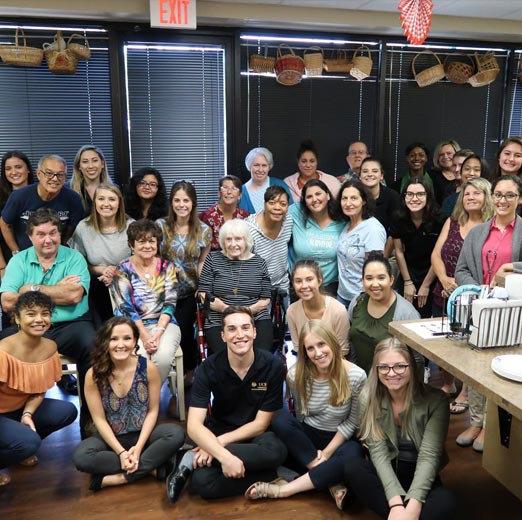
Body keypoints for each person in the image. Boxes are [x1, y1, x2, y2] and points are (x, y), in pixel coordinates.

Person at [166, 306, 287, 502]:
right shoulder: (208, 368)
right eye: (232, 329)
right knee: (203, 484)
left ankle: (188, 459)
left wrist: (215, 448)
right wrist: (226, 457)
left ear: (255, 332)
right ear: (222, 336)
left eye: (245, 328)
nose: (240, 335)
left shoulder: (272, 365)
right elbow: (194, 425)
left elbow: (260, 425)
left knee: (276, 452)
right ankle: (273, 475)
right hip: (221, 429)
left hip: (256, 437)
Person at [245, 320, 365, 509]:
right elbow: (300, 414)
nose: (317, 353)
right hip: (308, 439)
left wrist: (326, 453)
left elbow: (353, 422)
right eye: (310, 348)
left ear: (332, 343)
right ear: (304, 352)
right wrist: (311, 452)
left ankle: (284, 489)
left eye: (321, 344)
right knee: (279, 419)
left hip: (339, 438)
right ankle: (331, 481)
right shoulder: (296, 375)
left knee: (354, 455)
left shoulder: (356, 376)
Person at [344, 338, 456, 519]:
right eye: (384, 367)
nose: (392, 373)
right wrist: (396, 503)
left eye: (400, 366)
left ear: (411, 366)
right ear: (376, 369)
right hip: (387, 468)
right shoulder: (368, 397)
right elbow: (378, 454)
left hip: (420, 470)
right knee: (353, 468)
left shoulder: (437, 401)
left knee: (446, 501)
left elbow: (429, 456)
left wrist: (413, 506)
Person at [72, 316, 185, 491]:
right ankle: (152, 469)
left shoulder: (147, 367)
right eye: (114, 339)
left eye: (127, 338)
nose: (121, 344)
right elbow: (99, 420)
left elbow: (153, 411)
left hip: (144, 436)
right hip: (112, 438)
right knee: (81, 457)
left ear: (135, 341)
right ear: (104, 342)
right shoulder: (92, 374)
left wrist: (138, 449)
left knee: (176, 433)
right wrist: (122, 453)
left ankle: (119, 478)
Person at [0, 208, 95, 414]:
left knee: (93, 345)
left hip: (71, 326)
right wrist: (57, 290)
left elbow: (73, 296)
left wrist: (31, 289)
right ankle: (13, 413)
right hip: (26, 328)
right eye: (41, 234)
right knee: (2, 348)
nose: (48, 239)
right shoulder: (19, 261)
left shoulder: (74, 258)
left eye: (53, 233)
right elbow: (7, 302)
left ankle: (91, 418)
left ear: (60, 234)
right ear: (30, 236)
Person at [454, 174, 522, 452]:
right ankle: (477, 421)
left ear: (520, 199)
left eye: (509, 195)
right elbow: (460, 270)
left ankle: (491, 428)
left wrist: (513, 268)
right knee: (477, 367)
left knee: (500, 369)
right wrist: (480, 291)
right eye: (498, 194)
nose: (502, 200)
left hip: (513, 313)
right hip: (480, 308)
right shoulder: (478, 232)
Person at [0, 291, 77, 488]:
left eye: (45, 313)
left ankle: (18, 450)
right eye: (31, 314)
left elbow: (39, 389)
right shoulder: (2, 351)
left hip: (19, 409)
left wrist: (28, 414)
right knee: (29, 443)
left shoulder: (50, 347)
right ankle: (17, 449)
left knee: (67, 411)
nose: (39, 320)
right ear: (17, 318)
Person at [432, 178, 494, 414]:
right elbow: (436, 254)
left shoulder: (490, 226)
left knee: (469, 344)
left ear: (486, 197)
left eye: (476, 193)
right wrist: (444, 280)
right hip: (446, 291)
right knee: (445, 342)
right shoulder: (453, 221)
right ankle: (448, 383)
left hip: (475, 295)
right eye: (466, 194)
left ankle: (466, 392)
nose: (470, 197)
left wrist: (465, 287)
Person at [110, 219, 181, 383]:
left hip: (164, 324)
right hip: (130, 325)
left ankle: (149, 400)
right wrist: (144, 336)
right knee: (138, 358)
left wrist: (157, 334)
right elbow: (125, 307)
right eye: (141, 241)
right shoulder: (122, 269)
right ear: (132, 245)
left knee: (162, 358)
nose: (147, 246)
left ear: (157, 243)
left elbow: (170, 303)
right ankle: (141, 400)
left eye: (151, 241)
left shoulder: (167, 267)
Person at [157, 181, 212, 377]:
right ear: (171, 203)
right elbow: (153, 260)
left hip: (190, 290)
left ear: (193, 203)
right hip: (162, 290)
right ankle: (164, 371)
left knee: (186, 333)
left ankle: (188, 371)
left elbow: (203, 262)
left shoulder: (204, 230)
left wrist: (203, 286)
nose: (182, 205)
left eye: (186, 200)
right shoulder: (160, 226)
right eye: (177, 200)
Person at [198, 218, 273, 354]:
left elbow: (266, 298)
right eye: (228, 239)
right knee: (224, 359)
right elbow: (203, 294)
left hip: (255, 317)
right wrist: (227, 309)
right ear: (222, 241)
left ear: (246, 240)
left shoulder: (259, 262)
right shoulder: (212, 259)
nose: (233, 244)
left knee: (262, 356)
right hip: (219, 318)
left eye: (238, 239)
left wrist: (247, 311)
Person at [68, 184, 133, 324]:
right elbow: (77, 265)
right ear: (95, 202)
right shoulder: (83, 228)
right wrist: (102, 269)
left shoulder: (131, 226)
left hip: (128, 283)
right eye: (101, 199)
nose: (106, 204)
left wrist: (117, 272)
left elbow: (141, 260)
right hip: (96, 283)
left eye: (112, 199)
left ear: (119, 203)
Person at [348, 252, 420, 374]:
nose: (375, 284)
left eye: (381, 278)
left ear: (391, 279)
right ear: (363, 280)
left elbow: (417, 359)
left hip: (392, 380)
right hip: (360, 379)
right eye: (369, 278)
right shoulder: (356, 302)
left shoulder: (406, 314)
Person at [0, 154, 83, 252]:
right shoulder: (19, 196)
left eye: (60, 174)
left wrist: (63, 246)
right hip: (25, 256)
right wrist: (16, 252)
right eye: (49, 173)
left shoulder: (73, 198)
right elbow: (5, 223)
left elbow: (72, 227)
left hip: (56, 255)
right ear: (39, 174)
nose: (55, 178)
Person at [390, 178, 444, 319]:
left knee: (425, 317)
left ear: (428, 196)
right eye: (410, 194)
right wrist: (408, 282)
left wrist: (426, 285)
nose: (414, 199)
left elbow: (438, 255)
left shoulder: (439, 219)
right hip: (408, 271)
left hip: (432, 272)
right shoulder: (398, 217)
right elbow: (399, 252)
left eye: (420, 194)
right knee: (405, 316)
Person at [288, 179, 345, 296]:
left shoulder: (342, 219)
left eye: (318, 194)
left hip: (330, 287)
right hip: (300, 286)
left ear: (328, 195)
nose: (314, 199)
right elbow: (273, 210)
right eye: (309, 196)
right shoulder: (295, 213)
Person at [336, 179, 386, 308]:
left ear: (363, 201)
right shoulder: (346, 225)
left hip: (363, 298)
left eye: (353, 198)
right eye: (344, 198)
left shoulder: (372, 228)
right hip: (342, 296)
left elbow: (376, 269)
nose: (348, 203)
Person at [287, 259, 349, 357]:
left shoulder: (338, 310)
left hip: (335, 365)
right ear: (293, 284)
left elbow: (342, 351)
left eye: (309, 279)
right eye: (298, 281)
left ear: (319, 281)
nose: (304, 286)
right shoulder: (292, 311)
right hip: (307, 366)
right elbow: (298, 349)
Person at [246, 185, 293, 294]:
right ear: (264, 205)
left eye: (283, 204)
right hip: (257, 290)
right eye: (272, 203)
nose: (277, 207)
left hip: (282, 285)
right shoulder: (248, 230)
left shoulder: (288, 222)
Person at [0, 151, 35, 280]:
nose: (14, 172)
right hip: (8, 259)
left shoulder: (40, 195)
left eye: (18, 167)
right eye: (8, 169)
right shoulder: (1, 199)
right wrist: (2, 268)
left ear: (28, 170)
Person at [359, 157, 400, 258]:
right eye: (365, 171)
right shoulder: (355, 196)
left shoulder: (392, 197)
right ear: (359, 176)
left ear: (381, 176)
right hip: (359, 249)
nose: (369, 174)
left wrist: (383, 257)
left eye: (374, 171)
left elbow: (395, 231)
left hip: (388, 251)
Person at [199, 175, 250, 251]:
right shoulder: (207, 216)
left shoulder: (246, 218)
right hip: (213, 260)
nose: (229, 192)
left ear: (239, 195)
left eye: (234, 189)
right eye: (225, 188)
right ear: (219, 193)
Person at [239, 147, 293, 214]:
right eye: (256, 165)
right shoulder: (240, 192)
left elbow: (291, 212)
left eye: (264, 165)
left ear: (269, 167)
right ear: (249, 166)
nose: (260, 170)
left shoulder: (280, 185)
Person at [70, 144, 113, 217]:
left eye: (95, 160)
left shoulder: (114, 189)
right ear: (79, 166)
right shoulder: (69, 189)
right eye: (85, 162)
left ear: (102, 164)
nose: (91, 166)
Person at [440, 149, 476, 217]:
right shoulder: (449, 188)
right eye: (454, 165)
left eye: (461, 165)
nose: (456, 169)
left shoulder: (482, 189)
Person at [430, 139, 461, 205]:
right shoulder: (431, 176)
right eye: (441, 154)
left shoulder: (464, 175)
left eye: (449, 153)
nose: (445, 157)